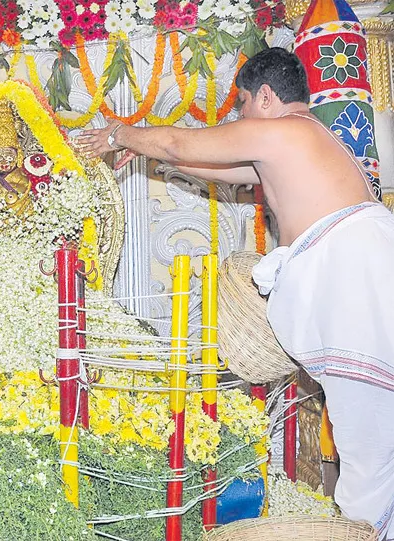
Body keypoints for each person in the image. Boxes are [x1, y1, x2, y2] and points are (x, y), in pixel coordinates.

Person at [78, 47, 394, 540]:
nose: (241, 116)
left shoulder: (285, 131)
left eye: (243, 104)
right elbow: (218, 166)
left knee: (367, 449)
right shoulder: (304, 139)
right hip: (364, 273)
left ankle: (362, 532)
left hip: (356, 279)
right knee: (374, 443)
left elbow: (185, 144)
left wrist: (119, 133)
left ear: (266, 97)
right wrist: (153, 154)